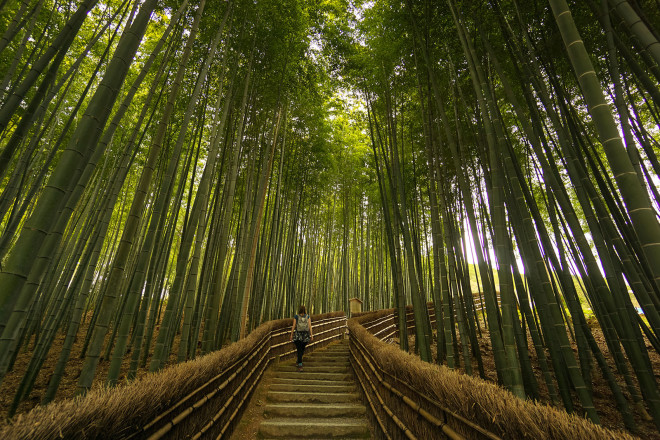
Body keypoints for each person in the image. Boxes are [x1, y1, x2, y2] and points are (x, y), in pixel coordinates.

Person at [289, 305, 313, 371]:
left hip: (298, 335)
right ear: (305, 310)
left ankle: (298, 361)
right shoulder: (307, 317)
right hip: (305, 335)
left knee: (299, 350)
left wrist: (291, 335)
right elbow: (310, 326)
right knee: (301, 350)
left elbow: (293, 326)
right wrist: (311, 335)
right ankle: (300, 364)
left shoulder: (296, 317)